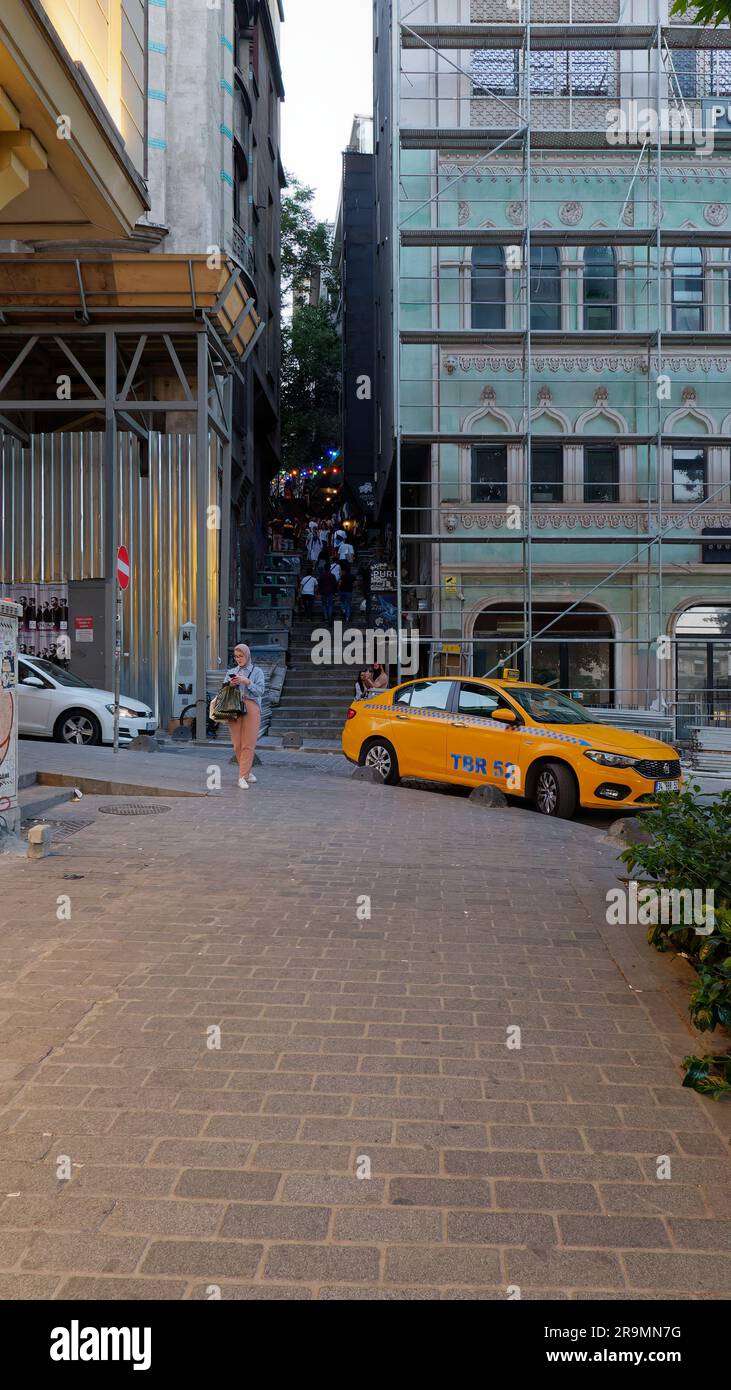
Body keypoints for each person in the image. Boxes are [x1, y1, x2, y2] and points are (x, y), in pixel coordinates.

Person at [224, 643, 266, 790]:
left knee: (248, 742)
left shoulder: (257, 672)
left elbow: (260, 691)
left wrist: (247, 682)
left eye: (241, 656)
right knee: (237, 743)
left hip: (251, 707)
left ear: (247, 655)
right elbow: (223, 690)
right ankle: (247, 773)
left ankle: (242, 776)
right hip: (234, 708)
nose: (238, 659)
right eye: (236, 656)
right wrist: (230, 684)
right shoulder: (231, 671)